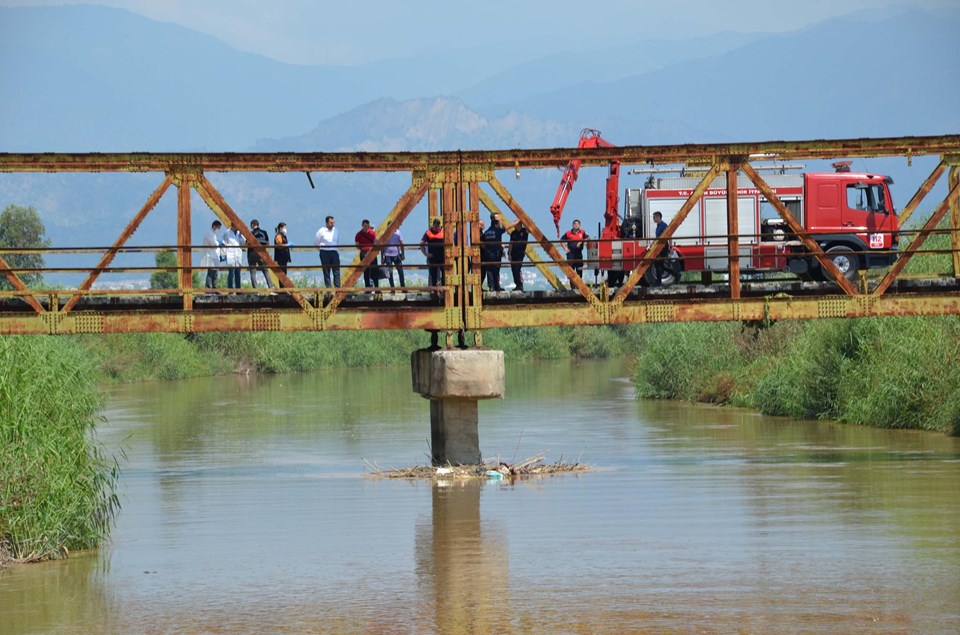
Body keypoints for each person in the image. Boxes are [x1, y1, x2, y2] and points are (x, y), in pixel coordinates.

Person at [480, 212, 516, 291]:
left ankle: (491, 287)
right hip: (496, 254)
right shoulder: (497, 231)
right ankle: (497, 286)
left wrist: (486, 248)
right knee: (496, 271)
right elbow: (507, 227)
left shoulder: (486, 232)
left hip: (488, 254)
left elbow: (481, 242)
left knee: (489, 271)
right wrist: (516, 222)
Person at [314, 215, 340, 288]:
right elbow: (316, 242)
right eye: (330, 223)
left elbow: (337, 241)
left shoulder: (336, 230)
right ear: (326, 223)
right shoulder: (321, 231)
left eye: (333, 223)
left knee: (336, 271)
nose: (332, 224)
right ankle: (328, 288)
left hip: (334, 251)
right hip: (324, 252)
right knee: (326, 271)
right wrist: (321, 249)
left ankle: (337, 288)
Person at [247, 218, 274, 289]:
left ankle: (255, 290)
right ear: (258, 225)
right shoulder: (264, 232)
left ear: (252, 225)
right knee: (265, 270)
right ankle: (270, 287)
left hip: (252, 253)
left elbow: (247, 244)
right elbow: (268, 244)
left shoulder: (251, 233)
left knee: (253, 271)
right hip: (262, 253)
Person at [419, 217, 445, 289]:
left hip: (443, 257)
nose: (438, 228)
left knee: (445, 274)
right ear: (433, 226)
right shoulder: (428, 233)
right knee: (433, 275)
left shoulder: (443, 231)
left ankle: (443, 291)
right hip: (433, 257)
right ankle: (434, 292)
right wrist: (426, 254)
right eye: (436, 227)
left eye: (439, 227)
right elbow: (421, 243)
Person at [561, 218, 588, 283]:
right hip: (571, 254)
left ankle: (579, 284)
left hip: (578, 253)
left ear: (580, 225)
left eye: (577, 224)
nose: (576, 225)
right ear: (572, 225)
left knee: (579, 269)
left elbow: (587, 238)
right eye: (575, 224)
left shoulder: (582, 232)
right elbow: (561, 240)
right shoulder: (568, 233)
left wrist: (581, 241)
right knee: (571, 270)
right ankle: (572, 285)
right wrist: (565, 248)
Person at [354, 219, 378, 288]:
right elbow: (357, 245)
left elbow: (375, 242)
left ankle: (376, 287)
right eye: (365, 226)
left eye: (367, 226)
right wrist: (363, 249)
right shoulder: (358, 234)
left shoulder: (372, 233)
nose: (366, 228)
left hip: (372, 252)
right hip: (364, 252)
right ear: (362, 226)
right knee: (366, 271)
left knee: (374, 270)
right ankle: (367, 287)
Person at [220, 224, 244, 289]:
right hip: (230, 254)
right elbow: (223, 243)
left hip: (238, 255)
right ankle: (230, 288)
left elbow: (243, 243)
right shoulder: (226, 233)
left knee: (238, 273)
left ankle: (238, 289)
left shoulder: (239, 233)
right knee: (231, 273)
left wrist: (241, 235)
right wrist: (224, 254)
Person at [201, 220, 222, 289]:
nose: (218, 229)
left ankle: (214, 288)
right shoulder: (209, 233)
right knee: (211, 273)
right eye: (218, 227)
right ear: (214, 226)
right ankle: (208, 288)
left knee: (215, 273)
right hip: (210, 256)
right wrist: (219, 243)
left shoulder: (213, 234)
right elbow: (213, 244)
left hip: (214, 256)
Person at [509, 221, 529, 291]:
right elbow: (511, 243)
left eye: (516, 224)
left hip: (520, 253)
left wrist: (521, 219)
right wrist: (509, 253)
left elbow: (529, 226)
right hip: (513, 253)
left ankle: (520, 285)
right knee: (513, 269)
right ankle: (517, 285)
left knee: (517, 269)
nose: (514, 226)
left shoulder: (524, 231)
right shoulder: (513, 233)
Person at [652, 211, 669, 286]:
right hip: (659, 247)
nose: (653, 219)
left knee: (658, 264)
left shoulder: (664, 225)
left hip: (663, 247)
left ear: (659, 217)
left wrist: (670, 247)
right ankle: (675, 274)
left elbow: (669, 234)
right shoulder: (658, 226)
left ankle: (658, 282)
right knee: (659, 265)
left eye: (654, 217)